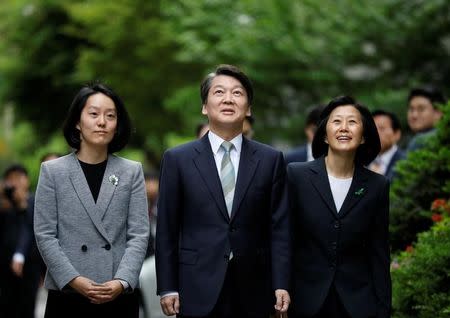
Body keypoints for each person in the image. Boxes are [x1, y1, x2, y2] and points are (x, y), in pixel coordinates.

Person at [156, 64, 291, 318]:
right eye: (219, 92)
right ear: (205, 106)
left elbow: (279, 228)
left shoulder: (271, 159)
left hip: (254, 288)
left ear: (248, 108)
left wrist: (281, 283)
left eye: (237, 93)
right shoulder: (178, 159)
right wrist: (167, 286)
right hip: (195, 286)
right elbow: (167, 228)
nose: (228, 99)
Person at [34, 82, 149, 317]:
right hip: (67, 294)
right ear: (78, 121)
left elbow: (138, 234)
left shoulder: (131, 171)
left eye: (110, 116)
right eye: (94, 114)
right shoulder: (52, 171)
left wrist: (122, 281)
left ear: (117, 125)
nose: (102, 122)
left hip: (117, 293)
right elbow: (45, 234)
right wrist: (73, 279)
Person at [287, 96, 391, 318]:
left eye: (352, 122)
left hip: (358, 304)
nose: (344, 128)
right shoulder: (296, 175)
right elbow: (283, 239)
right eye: (336, 121)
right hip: (305, 300)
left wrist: (383, 308)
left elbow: (379, 252)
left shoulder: (377, 186)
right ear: (324, 134)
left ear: (363, 136)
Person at [0, 164, 38, 318]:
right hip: (4, 264)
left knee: (27, 306)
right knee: (6, 306)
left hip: (30, 265)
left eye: (19, 178)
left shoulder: (35, 201)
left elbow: (30, 229)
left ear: (27, 180)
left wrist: (23, 205)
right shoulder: (4, 204)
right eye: (11, 179)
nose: (15, 183)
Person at [369, 110, 405, 181]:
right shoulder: (361, 162)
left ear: (397, 134)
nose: (376, 133)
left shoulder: (406, 162)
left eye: (382, 128)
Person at [406, 86, 445, 152]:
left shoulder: (420, 141)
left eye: (421, 109)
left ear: (438, 113)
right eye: (411, 109)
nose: (414, 115)